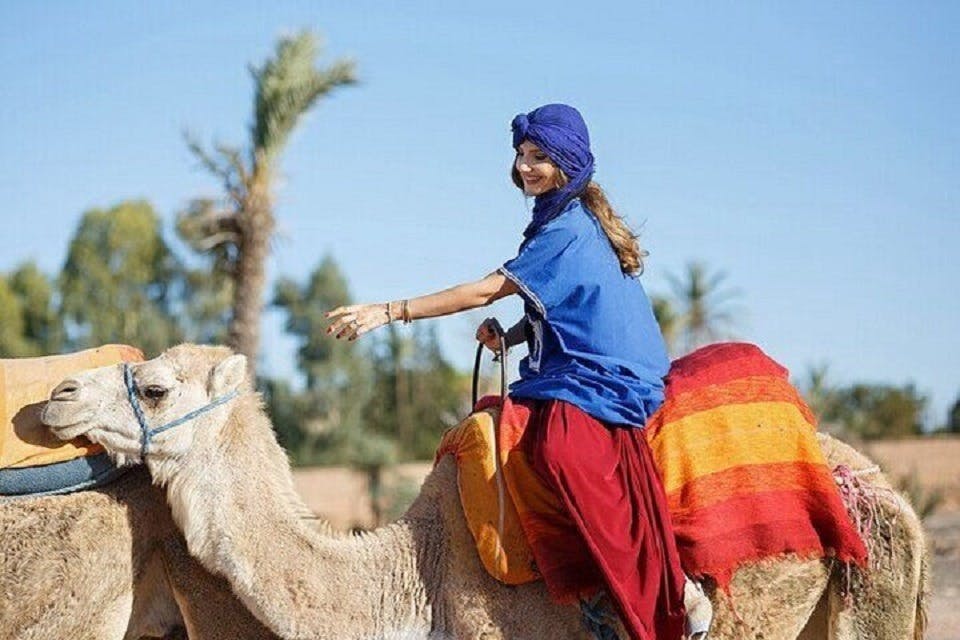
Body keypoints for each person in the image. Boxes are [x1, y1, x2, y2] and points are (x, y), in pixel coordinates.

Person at [326, 104, 710, 640]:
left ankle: (662, 592)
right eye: (522, 156)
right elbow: (564, 305)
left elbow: (488, 289)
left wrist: (390, 311)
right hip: (573, 365)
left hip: (605, 374)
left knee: (560, 449)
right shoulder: (557, 219)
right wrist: (509, 338)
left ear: (568, 164)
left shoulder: (569, 228)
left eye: (539, 158)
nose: (526, 167)